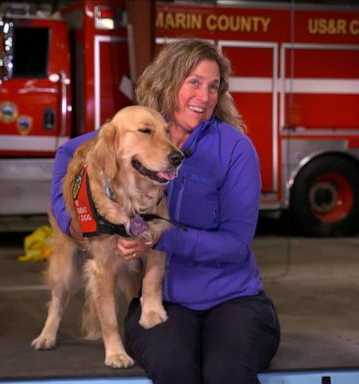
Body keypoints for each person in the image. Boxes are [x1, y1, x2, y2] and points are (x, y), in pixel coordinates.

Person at [51, 39, 280, 383]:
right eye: (194, 82)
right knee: (173, 370)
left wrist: (161, 239)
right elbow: (68, 155)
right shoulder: (139, 128)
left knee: (226, 372)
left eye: (213, 86)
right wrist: (72, 222)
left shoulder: (235, 149)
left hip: (234, 299)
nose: (204, 97)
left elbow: (236, 244)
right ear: (169, 81)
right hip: (163, 304)